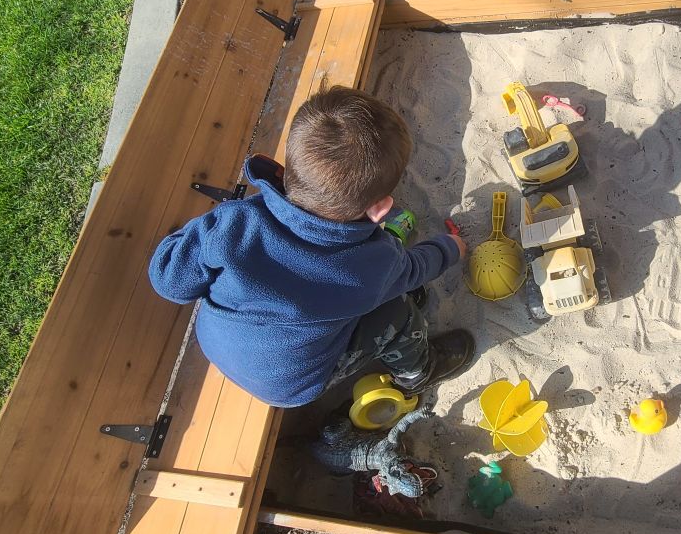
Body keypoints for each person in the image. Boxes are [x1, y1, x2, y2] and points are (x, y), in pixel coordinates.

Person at [148, 86, 472, 408]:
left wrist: (199, 235)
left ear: (282, 170)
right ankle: (417, 372)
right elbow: (412, 269)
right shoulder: (373, 263)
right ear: (379, 210)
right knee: (399, 311)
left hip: (219, 344)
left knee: (370, 292)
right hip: (293, 384)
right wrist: (449, 248)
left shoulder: (232, 224)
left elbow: (169, 283)